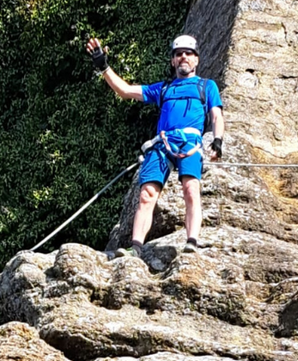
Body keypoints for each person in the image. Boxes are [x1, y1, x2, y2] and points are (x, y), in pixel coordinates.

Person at [86, 33, 225, 256]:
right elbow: (125, 91)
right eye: (178, 54)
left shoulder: (207, 86)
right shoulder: (164, 88)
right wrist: (103, 66)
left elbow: (216, 115)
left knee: (191, 189)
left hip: (190, 142)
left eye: (188, 53)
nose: (183, 57)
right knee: (147, 193)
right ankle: (136, 247)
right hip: (163, 143)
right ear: (173, 61)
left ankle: (192, 241)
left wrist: (217, 140)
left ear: (196, 59)